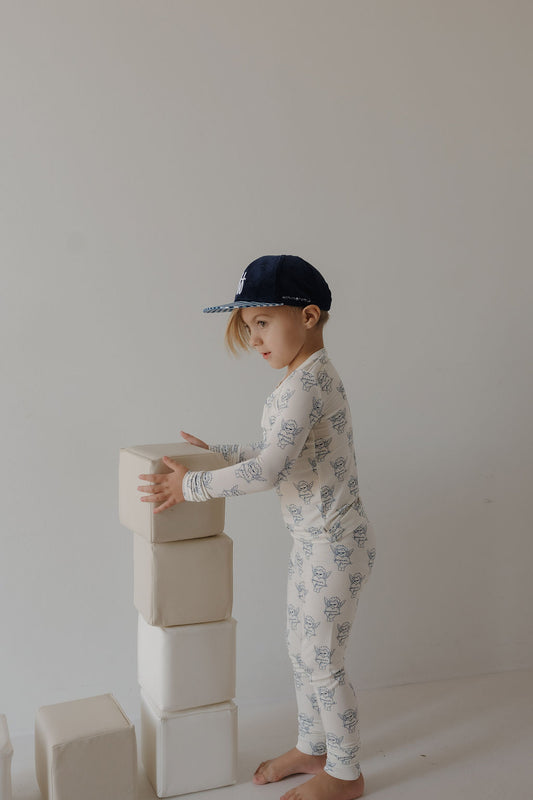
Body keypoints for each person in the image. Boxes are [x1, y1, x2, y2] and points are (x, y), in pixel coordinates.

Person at [138, 254, 376, 800]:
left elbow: (268, 471)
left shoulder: (307, 385)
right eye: (248, 328)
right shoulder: (298, 380)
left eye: (263, 322)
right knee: (300, 649)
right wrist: (216, 454)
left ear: (309, 316)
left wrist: (193, 487)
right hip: (313, 542)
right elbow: (277, 453)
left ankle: (346, 773)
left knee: (322, 660)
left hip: (336, 544)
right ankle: (313, 747)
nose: (254, 339)